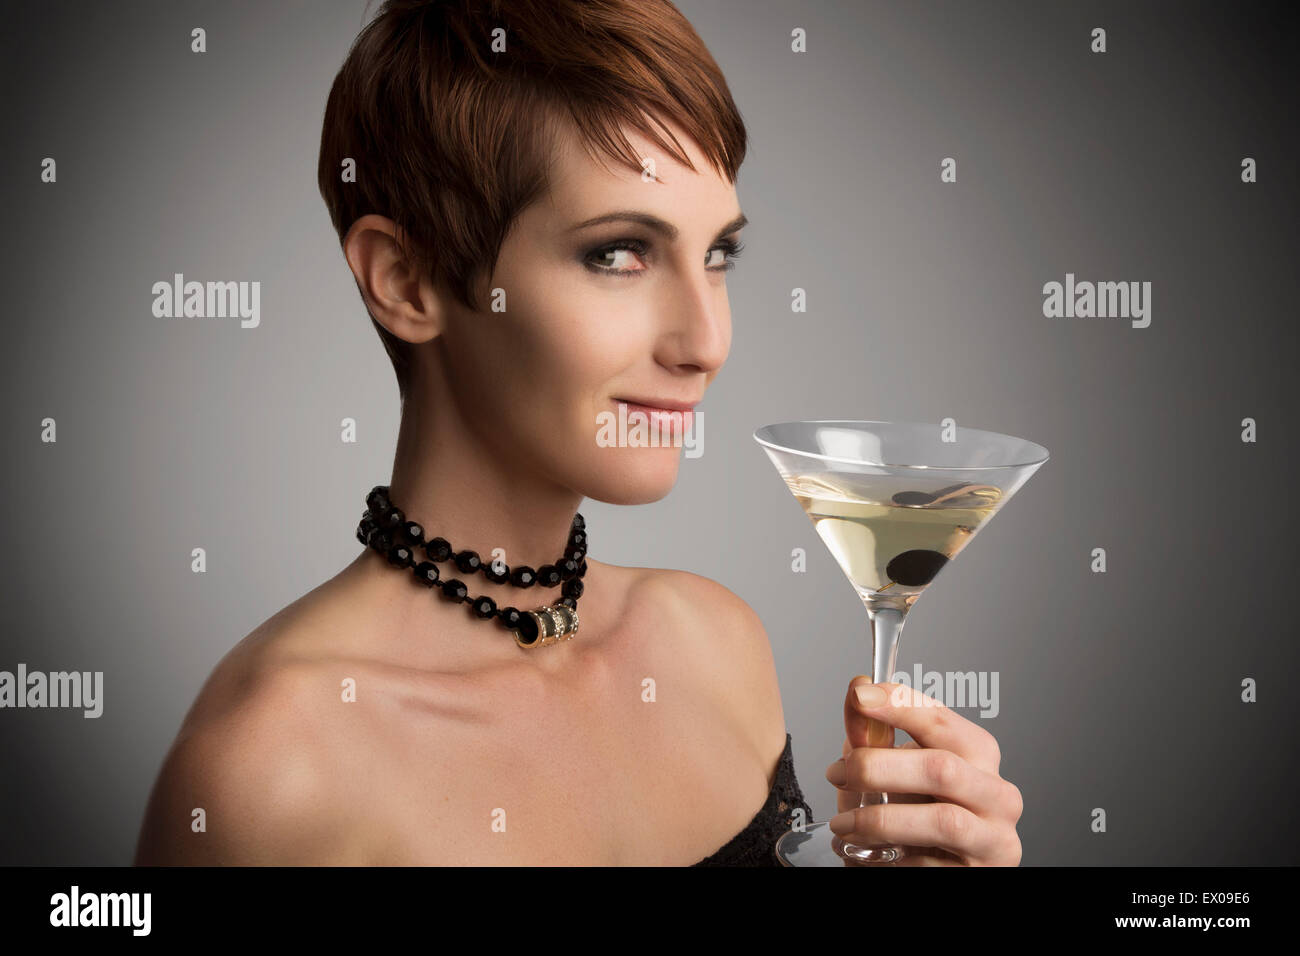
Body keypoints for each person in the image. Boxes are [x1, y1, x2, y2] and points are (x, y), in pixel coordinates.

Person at [134, 0, 1022, 866]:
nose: (706, 343)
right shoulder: (267, 772)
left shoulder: (716, 644)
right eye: (618, 253)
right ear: (405, 280)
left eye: (716, 255)